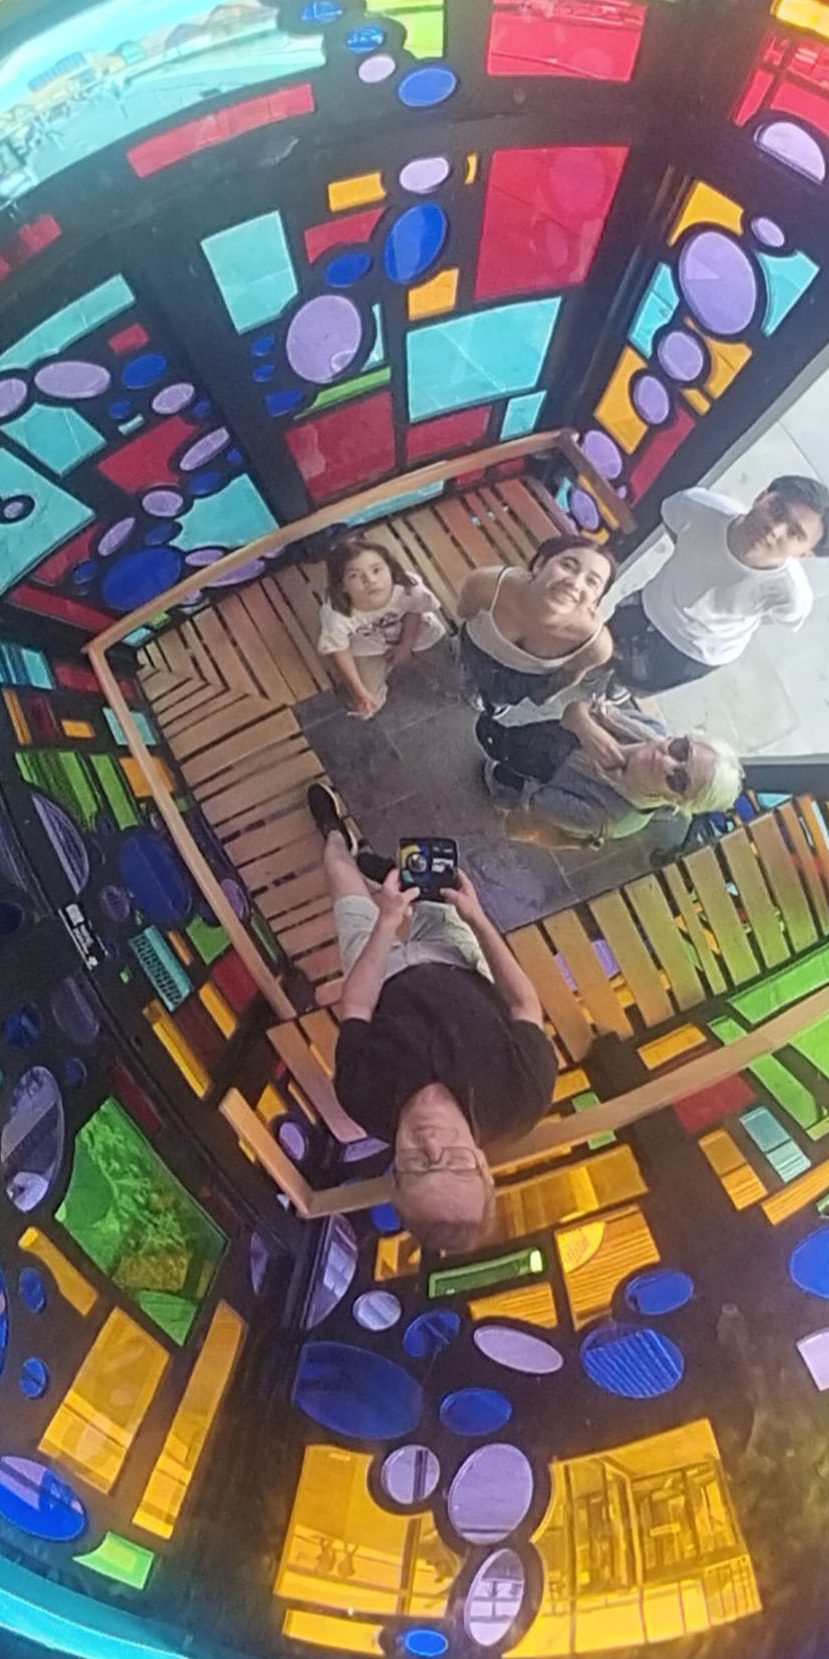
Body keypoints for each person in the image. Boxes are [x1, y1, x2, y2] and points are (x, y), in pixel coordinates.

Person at [309, 784, 555, 1254]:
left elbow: (356, 1007)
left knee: (339, 877)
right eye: (456, 1165)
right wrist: (478, 918)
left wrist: (386, 922)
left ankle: (337, 838)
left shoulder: (362, 1099)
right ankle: (391, 876)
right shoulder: (524, 1097)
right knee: (438, 884)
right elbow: (524, 1005)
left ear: (395, 1175)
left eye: (420, 1167)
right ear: (483, 1167)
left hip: (379, 974)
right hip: (457, 960)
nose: (433, 1146)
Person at [606, 473, 829, 696]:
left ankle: (619, 687)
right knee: (603, 641)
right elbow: (674, 520)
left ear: (805, 553)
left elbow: (780, 616)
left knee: (639, 681)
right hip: (651, 603)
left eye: (794, 534)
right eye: (776, 509)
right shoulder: (699, 507)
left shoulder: (791, 594)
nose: (774, 529)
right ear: (761, 496)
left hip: (697, 651)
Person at [477, 700, 744, 849]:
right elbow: (577, 709)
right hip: (552, 739)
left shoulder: (615, 815)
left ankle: (500, 784)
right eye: (681, 749)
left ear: (678, 801)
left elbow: (540, 803)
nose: (666, 761)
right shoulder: (651, 728)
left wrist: (581, 730)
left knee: (509, 777)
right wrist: (590, 732)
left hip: (540, 781)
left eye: (678, 780)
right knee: (515, 740)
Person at [455, 533, 616, 709]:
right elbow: (464, 611)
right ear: (539, 564)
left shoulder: (594, 645)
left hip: (519, 681)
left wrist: (544, 696)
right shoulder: (489, 584)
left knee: (496, 699)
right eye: (567, 565)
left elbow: (569, 676)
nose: (575, 583)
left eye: (592, 582)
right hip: (471, 651)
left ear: (595, 601)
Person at [314, 536, 448, 720]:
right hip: (367, 645)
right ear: (342, 586)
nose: (370, 580)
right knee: (367, 704)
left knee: (454, 676)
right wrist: (360, 691)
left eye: (377, 570)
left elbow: (414, 610)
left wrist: (406, 646)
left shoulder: (408, 587)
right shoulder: (336, 614)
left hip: (416, 629)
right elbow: (339, 650)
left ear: (390, 568)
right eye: (355, 576)